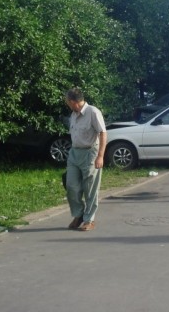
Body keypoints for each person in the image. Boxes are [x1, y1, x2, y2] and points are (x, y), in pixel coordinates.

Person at [64, 87, 107, 232]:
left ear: (72, 101)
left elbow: (102, 133)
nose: (67, 105)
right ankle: (79, 214)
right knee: (71, 186)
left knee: (90, 189)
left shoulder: (93, 112)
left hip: (90, 153)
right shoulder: (73, 114)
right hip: (74, 153)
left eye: (67, 102)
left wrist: (100, 156)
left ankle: (89, 219)